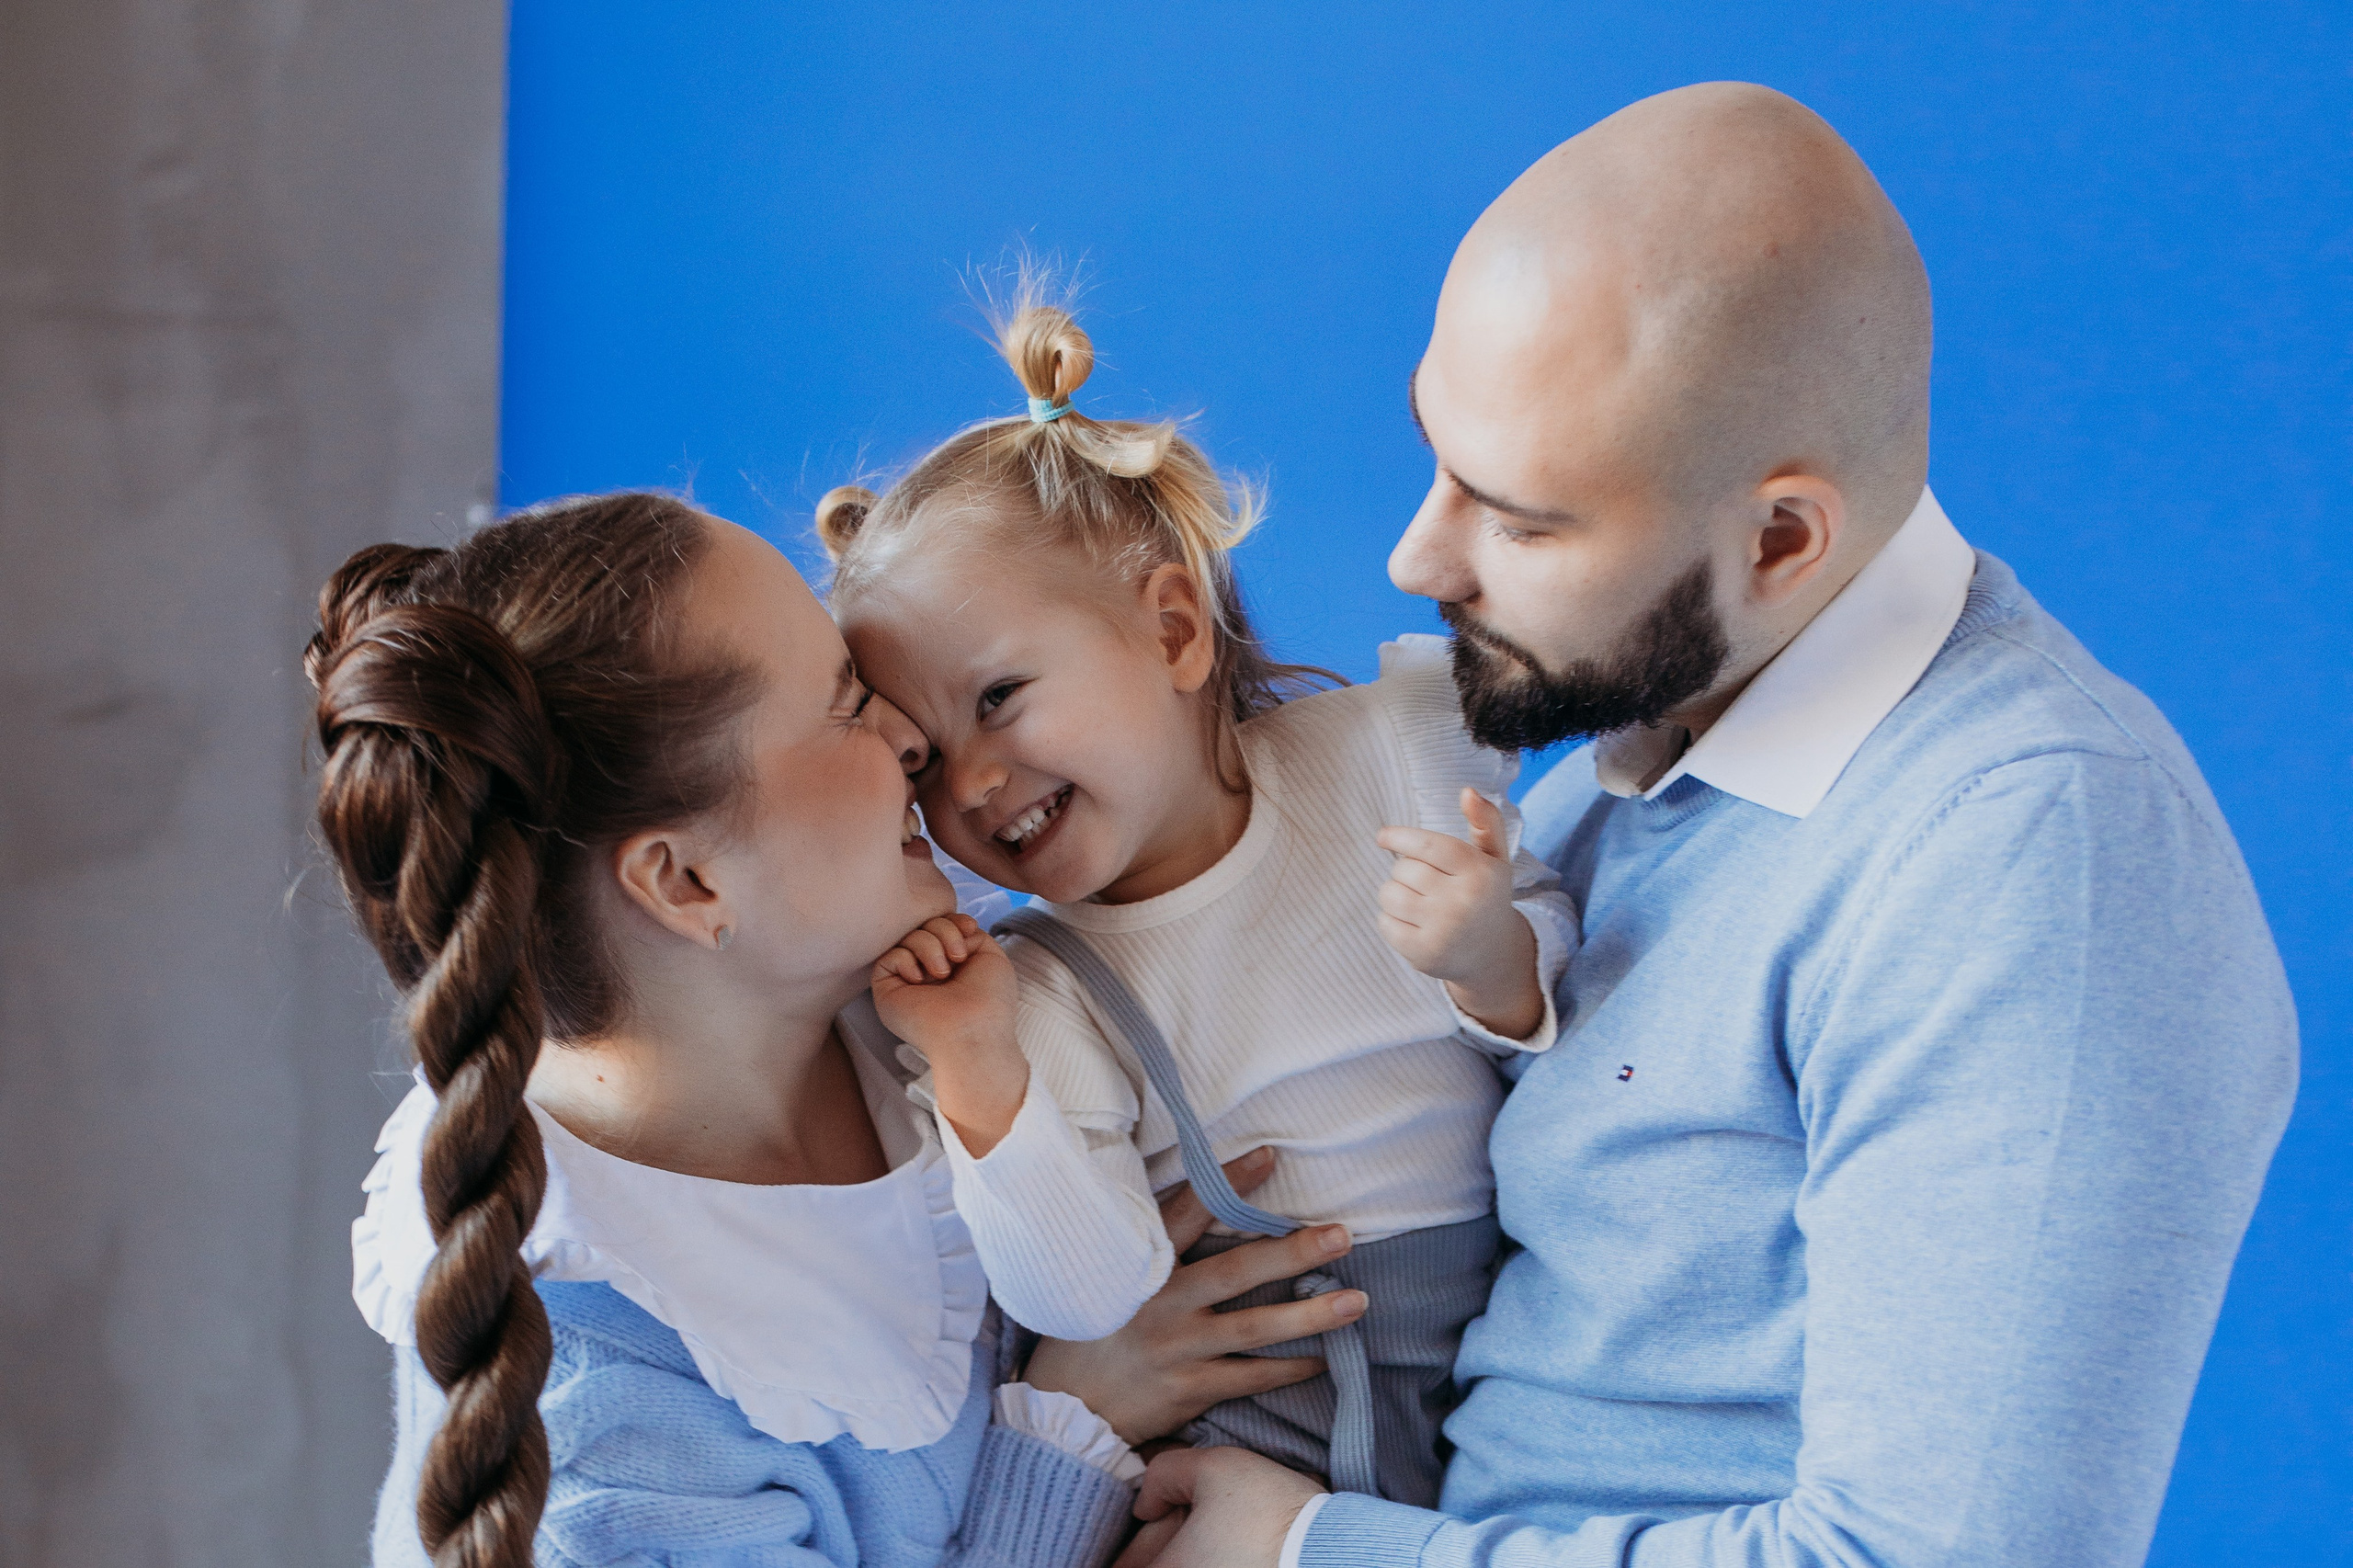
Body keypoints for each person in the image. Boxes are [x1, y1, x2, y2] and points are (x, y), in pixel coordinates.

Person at [1129, 81, 2298, 1568]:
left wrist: (1316, 1553)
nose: (1419, 554)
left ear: (1782, 540)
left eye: (1525, 520)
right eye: (1436, 460)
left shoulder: (2030, 852)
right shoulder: (1618, 772)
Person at [312, 491, 1353, 1567]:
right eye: (847, 702)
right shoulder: (601, 1448)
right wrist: (1072, 1421)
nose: (913, 735)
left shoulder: (922, 1002)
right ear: (685, 880)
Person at [819, 294, 1580, 1506]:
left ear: (1172, 628)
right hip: (1253, 1425)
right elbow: (1080, 1295)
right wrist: (976, 1076)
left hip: (1511, 1365)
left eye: (1000, 697)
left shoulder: (1390, 753)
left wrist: (1497, 955)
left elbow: (1574, 972)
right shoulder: (1040, 984)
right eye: (924, 759)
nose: (972, 781)